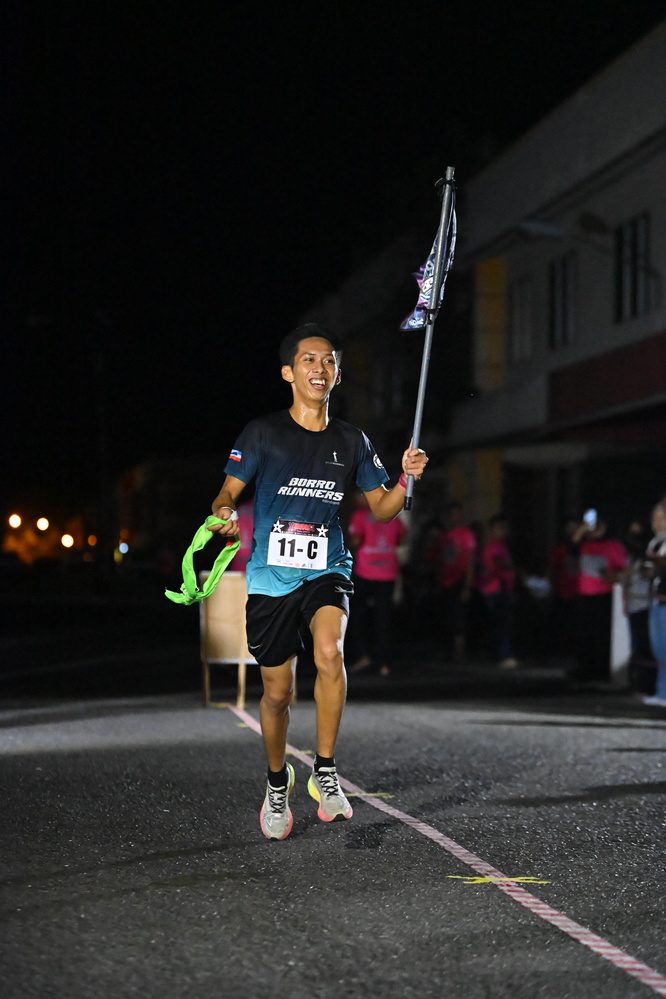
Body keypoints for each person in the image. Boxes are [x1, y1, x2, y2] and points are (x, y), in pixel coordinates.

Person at [209, 323, 428, 839]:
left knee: (330, 653)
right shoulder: (263, 433)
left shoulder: (352, 440)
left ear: (337, 375)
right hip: (271, 576)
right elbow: (227, 494)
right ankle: (276, 782)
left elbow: (383, 510)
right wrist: (224, 514)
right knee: (277, 693)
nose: (320, 367)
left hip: (327, 566)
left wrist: (407, 477)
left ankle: (324, 771)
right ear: (289, 373)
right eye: (309, 359)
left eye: (329, 360)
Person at [346, 492, 407, 677]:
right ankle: (384, 663)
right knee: (384, 618)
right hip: (387, 572)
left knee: (359, 616)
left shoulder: (360, 515)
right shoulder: (392, 516)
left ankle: (363, 656)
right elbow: (402, 539)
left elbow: (356, 541)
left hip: (364, 571)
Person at [570, 513, 629, 685]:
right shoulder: (586, 544)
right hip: (585, 595)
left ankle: (601, 670)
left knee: (601, 636)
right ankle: (584, 669)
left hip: (604, 595)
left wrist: (614, 575)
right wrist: (584, 527)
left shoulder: (613, 545)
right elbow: (572, 545)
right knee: (584, 635)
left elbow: (625, 568)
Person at [433, 501, 477, 663]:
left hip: (459, 579)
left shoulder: (466, 535)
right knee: (446, 616)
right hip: (446, 580)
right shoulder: (445, 535)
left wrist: (467, 585)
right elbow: (439, 559)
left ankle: (460, 652)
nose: (455, 518)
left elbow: (470, 561)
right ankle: (447, 650)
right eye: (452, 515)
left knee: (460, 618)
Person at [475, 514, 517, 668]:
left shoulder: (501, 545)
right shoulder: (493, 546)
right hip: (495, 588)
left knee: (498, 623)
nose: (503, 531)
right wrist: (515, 569)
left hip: (502, 588)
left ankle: (495, 653)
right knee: (501, 623)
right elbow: (498, 564)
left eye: (505, 528)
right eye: (500, 528)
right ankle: (503, 654)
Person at [643, 503, 666, 706]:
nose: (658, 523)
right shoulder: (655, 542)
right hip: (656, 600)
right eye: (655, 519)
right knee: (658, 648)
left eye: (662, 518)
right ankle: (661, 691)